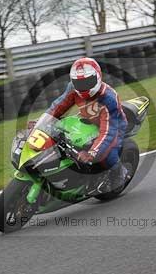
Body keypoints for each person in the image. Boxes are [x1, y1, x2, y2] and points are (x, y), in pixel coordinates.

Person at [45, 57, 128, 192]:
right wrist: (45, 120)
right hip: (88, 120)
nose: (83, 87)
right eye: (79, 83)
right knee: (60, 133)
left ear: (98, 77)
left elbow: (107, 132)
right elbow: (59, 105)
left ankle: (120, 172)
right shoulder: (72, 88)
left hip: (114, 126)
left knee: (107, 153)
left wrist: (91, 153)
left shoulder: (109, 98)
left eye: (88, 82)